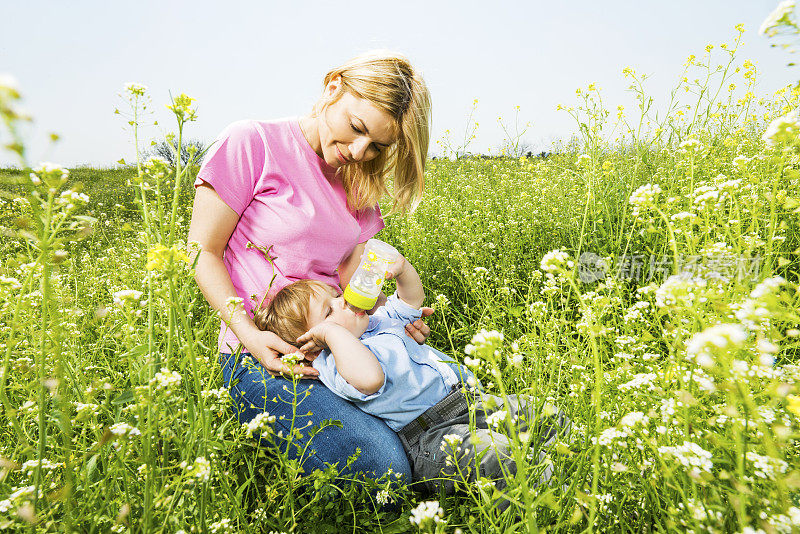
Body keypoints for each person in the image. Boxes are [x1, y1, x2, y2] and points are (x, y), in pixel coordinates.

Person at [187, 50, 433, 481]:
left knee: (434, 424)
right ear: (333, 87)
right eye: (357, 128)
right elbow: (202, 252)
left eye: (378, 146)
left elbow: (353, 282)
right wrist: (250, 335)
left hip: (344, 351)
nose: (360, 151)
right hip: (264, 354)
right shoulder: (253, 142)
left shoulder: (359, 180)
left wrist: (392, 319)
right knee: (384, 467)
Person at [253, 254, 571, 506]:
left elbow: (411, 300)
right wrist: (333, 334)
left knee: (538, 410)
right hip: (431, 436)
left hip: (470, 404)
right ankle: (549, 497)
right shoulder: (335, 365)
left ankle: (573, 453)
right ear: (312, 346)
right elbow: (371, 379)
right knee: (497, 456)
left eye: (336, 296)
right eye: (327, 314)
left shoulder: (378, 321)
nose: (343, 302)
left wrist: (402, 269)